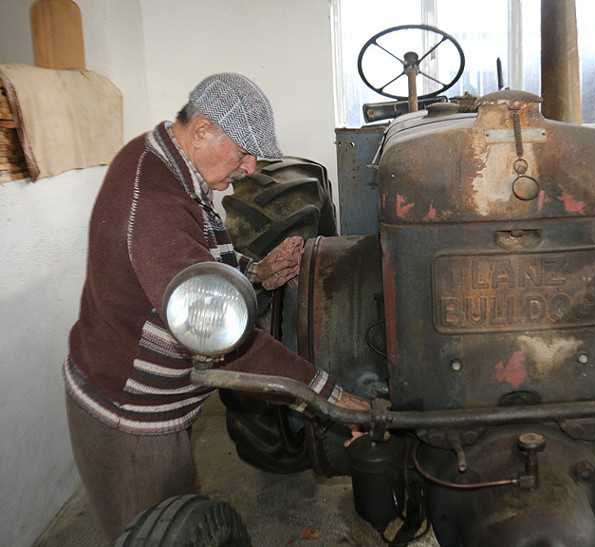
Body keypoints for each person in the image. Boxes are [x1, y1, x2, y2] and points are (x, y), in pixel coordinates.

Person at [62, 72, 369, 541]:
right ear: (203, 129)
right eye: (244, 153)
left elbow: (199, 264)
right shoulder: (156, 202)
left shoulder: (164, 159)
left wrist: (257, 271)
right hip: (131, 416)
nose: (249, 168)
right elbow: (225, 342)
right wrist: (328, 396)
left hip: (159, 402)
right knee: (161, 532)